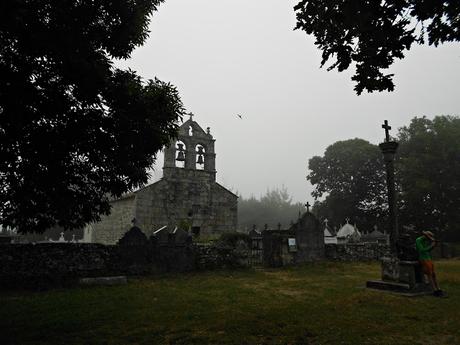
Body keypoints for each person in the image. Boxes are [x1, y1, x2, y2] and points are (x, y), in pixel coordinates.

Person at [415, 231, 443, 297]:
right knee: (429, 274)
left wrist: (433, 246)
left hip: (428, 258)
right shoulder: (418, 240)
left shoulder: (425, 241)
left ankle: (438, 289)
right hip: (423, 258)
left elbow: (428, 250)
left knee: (434, 274)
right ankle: (434, 291)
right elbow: (422, 250)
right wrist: (431, 246)